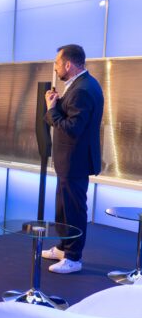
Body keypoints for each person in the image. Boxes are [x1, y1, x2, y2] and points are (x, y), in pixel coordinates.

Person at [42, 44, 103, 274]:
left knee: (74, 209)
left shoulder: (83, 89)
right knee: (64, 207)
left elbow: (72, 128)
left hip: (75, 161)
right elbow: (72, 117)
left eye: (57, 63)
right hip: (68, 161)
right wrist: (57, 104)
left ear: (68, 64)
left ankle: (74, 258)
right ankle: (64, 248)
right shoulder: (80, 85)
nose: (55, 68)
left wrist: (51, 110)